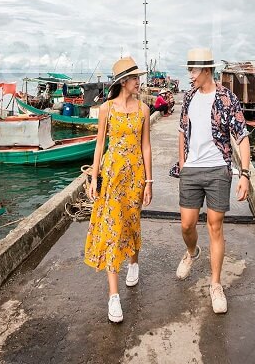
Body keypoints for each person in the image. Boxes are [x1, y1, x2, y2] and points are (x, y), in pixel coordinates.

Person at [176, 47, 251, 314]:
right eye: (189, 70)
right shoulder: (188, 98)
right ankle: (192, 252)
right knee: (187, 224)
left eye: (193, 71)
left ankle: (216, 285)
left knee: (215, 226)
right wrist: (183, 164)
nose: (190, 76)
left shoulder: (227, 98)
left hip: (219, 168)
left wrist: (244, 175)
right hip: (192, 169)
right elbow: (182, 131)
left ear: (207, 70)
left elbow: (242, 136)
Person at [84, 56, 153, 323]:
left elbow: (146, 146)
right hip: (112, 176)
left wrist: (149, 181)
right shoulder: (107, 109)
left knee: (131, 222)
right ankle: (113, 296)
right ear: (124, 82)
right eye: (136, 78)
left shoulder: (144, 110)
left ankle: (133, 262)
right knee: (112, 228)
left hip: (135, 175)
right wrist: (93, 177)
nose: (139, 82)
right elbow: (100, 145)